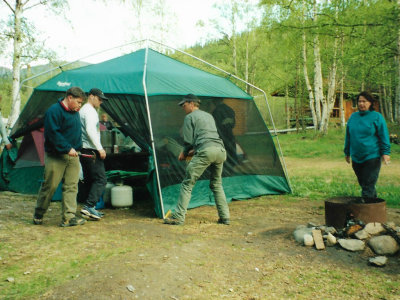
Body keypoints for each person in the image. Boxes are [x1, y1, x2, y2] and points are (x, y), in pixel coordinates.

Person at [164, 94, 230, 225]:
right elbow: (208, 138)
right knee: (216, 184)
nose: (183, 108)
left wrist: (184, 153)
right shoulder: (208, 116)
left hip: (207, 151)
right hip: (220, 150)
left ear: (191, 103)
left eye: (184, 105)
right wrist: (195, 150)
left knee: (187, 184)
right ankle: (225, 217)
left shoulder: (189, 117)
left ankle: (178, 217)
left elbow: (188, 141)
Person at [33, 87, 86, 227]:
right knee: (50, 186)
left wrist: (77, 148)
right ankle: (39, 213)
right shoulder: (53, 111)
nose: (80, 105)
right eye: (78, 102)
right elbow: (52, 134)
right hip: (56, 155)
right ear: (69, 98)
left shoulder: (75, 112)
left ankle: (68, 217)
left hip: (73, 156)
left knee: (71, 187)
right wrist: (67, 148)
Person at [344, 91, 391, 199]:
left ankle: (366, 213)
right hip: (356, 157)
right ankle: (375, 209)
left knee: (368, 185)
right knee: (365, 185)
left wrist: (386, 152)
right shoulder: (353, 117)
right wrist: (347, 152)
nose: (361, 104)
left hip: (372, 156)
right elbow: (349, 136)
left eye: (364, 101)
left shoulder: (377, 117)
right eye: (359, 101)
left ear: (370, 103)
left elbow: (383, 136)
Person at [79, 88, 108, 220]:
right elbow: (91, 131)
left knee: (90, 180)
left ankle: (90, 208)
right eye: (99, 99)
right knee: (101, 179)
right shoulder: (89, 111)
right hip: (91, 150)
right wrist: (100, 148)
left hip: (84, 150)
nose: (101, 102)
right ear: (91, 96)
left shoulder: (84, 110)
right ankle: (89, 206)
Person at [211, 98, 238, 174]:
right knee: (231, 152)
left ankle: (224, 172)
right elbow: (233, 124)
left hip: (221, 137)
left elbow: (216, 126)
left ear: (215, 101)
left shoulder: (216, 111)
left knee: (223, 154)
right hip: (230, 135)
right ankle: (230, 170)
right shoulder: (230, 109)